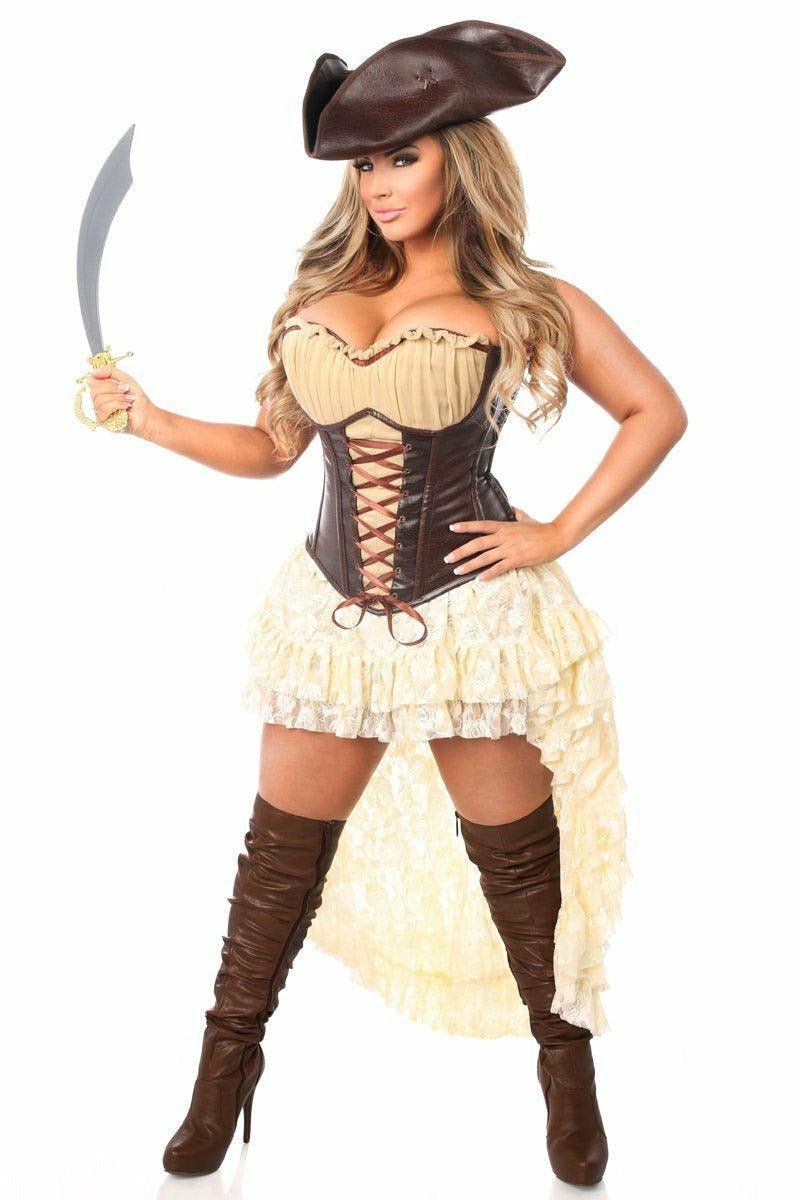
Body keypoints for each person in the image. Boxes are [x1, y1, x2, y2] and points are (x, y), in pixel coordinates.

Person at [86, 19, 687, 1187]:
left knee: (518, 867)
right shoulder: (321, 289)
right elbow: (273, 450)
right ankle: (221, 1080)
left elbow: (653, 410)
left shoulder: (524, 297)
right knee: (274, 865)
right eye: (362, 163)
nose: (376, 183)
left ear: (459, 159)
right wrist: (150, 420)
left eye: (398, 157)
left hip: (467, 614)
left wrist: (556, 531)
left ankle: (565, 1074)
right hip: (330, 614)